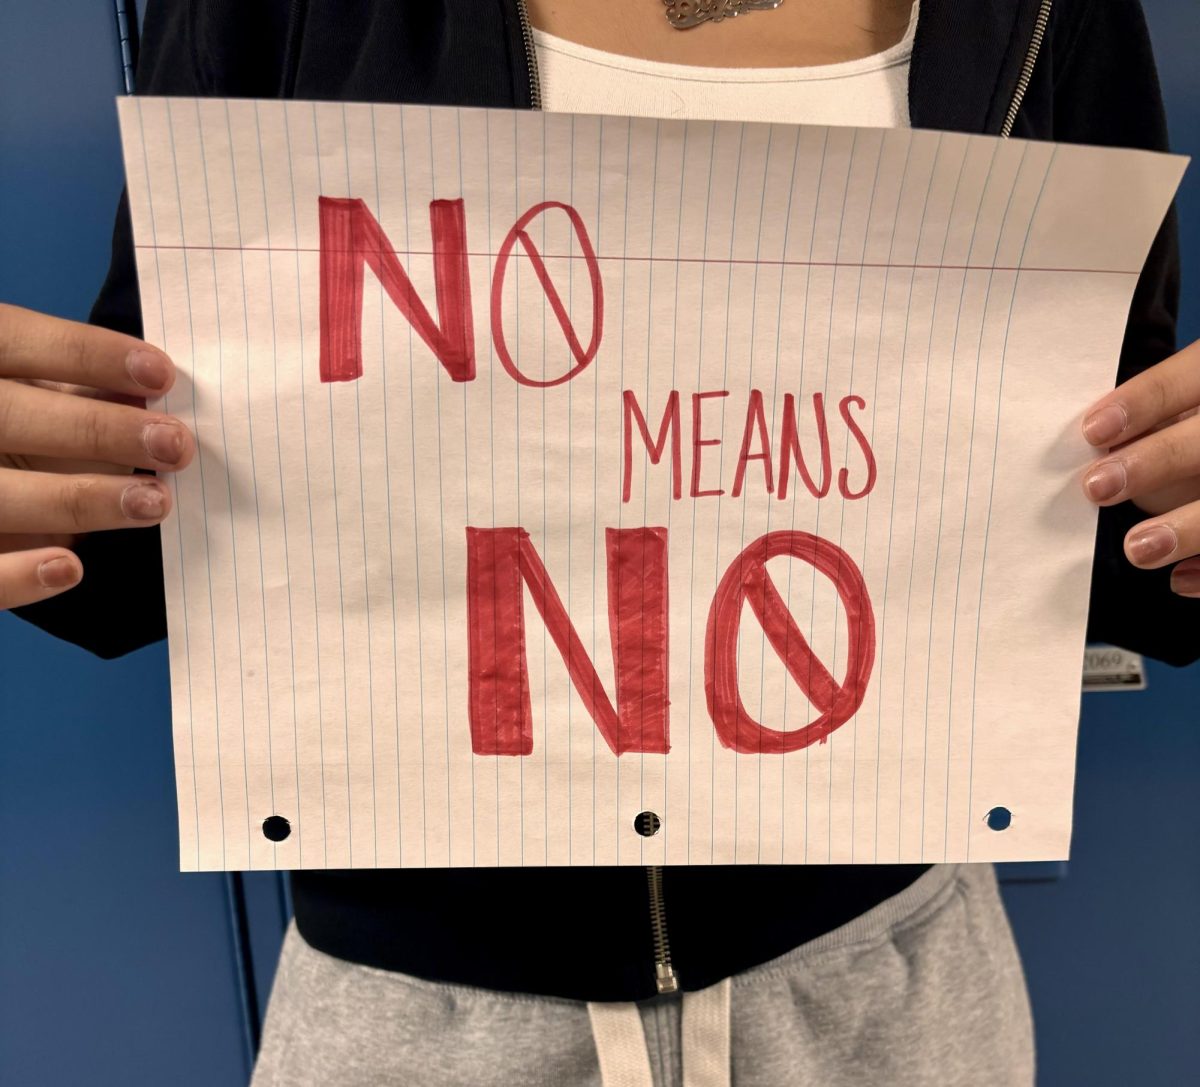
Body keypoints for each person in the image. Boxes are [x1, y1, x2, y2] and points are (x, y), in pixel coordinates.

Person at [2, 1, 1197, 1083]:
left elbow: (1097, 488)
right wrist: (42, 494)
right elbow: (159, 478)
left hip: (887, 993)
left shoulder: (1051, 11)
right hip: (418, 1022)